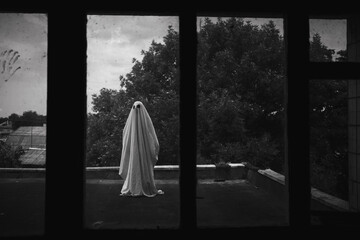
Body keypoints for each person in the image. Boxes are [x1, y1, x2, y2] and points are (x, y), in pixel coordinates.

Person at [119, 101, 164, 197]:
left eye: (138, 107)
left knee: (143, 166)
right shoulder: (130, 126)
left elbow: (153, 138)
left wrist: (151, 148)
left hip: (144, 153)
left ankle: (143, 186)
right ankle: (134, 186)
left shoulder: (145, 124)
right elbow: (126, 137)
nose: (136, 109)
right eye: (134, 107)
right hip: (134, 153)